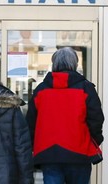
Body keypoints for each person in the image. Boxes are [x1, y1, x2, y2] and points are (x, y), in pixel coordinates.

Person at [26, 47, 105, 184]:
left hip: (49, 154)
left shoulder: (41, 90)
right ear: (74, 64)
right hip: (79, 152)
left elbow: (31, 123)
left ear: (54, 63)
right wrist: (93, 141)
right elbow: (96, 119)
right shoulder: (85, 88)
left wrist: (34, 146)